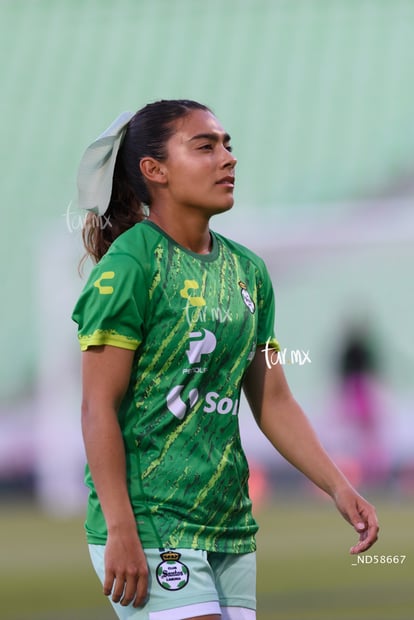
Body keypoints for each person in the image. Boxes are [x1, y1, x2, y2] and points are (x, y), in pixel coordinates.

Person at [72, 99, 379, 620]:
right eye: (205, 146)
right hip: (152, 521)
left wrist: (338, 486)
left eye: (228, 145)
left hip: (229, 523)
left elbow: (274, 401)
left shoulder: (249, 273)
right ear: (155, 171)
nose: (228, 158)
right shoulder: (130, 266)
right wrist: (122, 528)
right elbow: (97, 407)